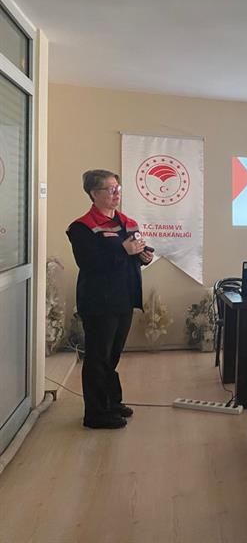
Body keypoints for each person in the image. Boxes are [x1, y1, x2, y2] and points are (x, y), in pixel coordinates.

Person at [66, 169, 153, 429]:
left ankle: (111, 402)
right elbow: (89, 263)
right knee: (98, 357)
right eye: (110, 189)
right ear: (94, 193)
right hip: (99, 302)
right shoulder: (82, 227)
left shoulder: (127, 222)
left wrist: (142, 257)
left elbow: (132, 255)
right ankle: (95, 414)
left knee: (112, 355)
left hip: (124, 298)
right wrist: (123, 250)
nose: (116, 194)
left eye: (118, 189)